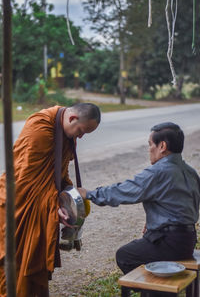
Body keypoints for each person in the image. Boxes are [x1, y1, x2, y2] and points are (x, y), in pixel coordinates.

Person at [78, 122, 200, 297]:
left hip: (169, 242)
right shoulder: (190, 171)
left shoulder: (159, 172)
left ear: (162, 146)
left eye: (150, 145)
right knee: (139, 253)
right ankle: (161, 291)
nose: (149, 149)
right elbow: (186, 204)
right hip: (188, 240)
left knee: (125, 255)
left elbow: (124, 191)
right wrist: (157, 219)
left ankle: (160, 292)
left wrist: (89, 194)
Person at [0, 103, 101, 297]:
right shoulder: (40, 129)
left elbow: (58, 173)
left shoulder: (66, 132)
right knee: (12, 264)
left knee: (33, 265)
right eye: (81, 131)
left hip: (39, 204)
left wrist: (67, 199)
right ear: (72, 119)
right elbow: (25, 180)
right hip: (19, 204)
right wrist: (52, 206)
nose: (80, 137)